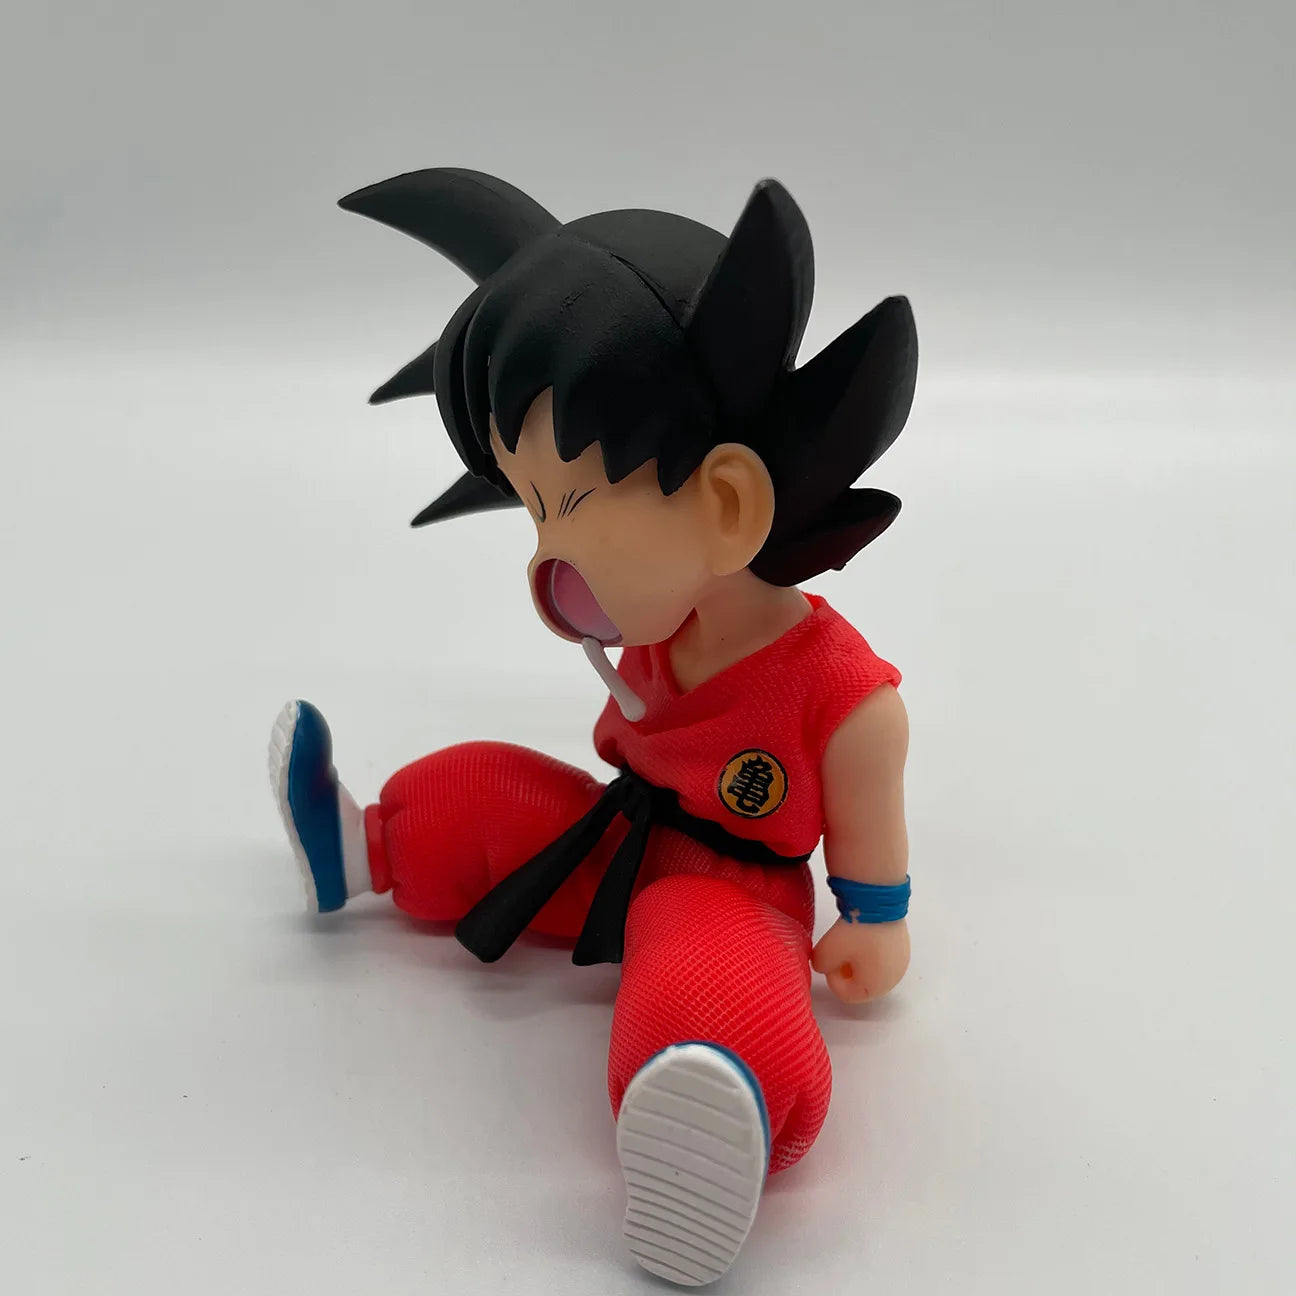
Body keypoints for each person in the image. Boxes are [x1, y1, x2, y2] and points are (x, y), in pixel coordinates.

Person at [269, 167, 917, 1287]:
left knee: (705, 973)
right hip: (619, 833)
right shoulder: (664, 625)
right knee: (486, 791)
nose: (544, 562)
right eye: (533, 511)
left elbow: (866, 822)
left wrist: (876, 921)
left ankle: (713, 1111)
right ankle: (363, 847)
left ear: (726, 505)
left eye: (566, 510)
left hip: (733, 885)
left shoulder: (843, 695)